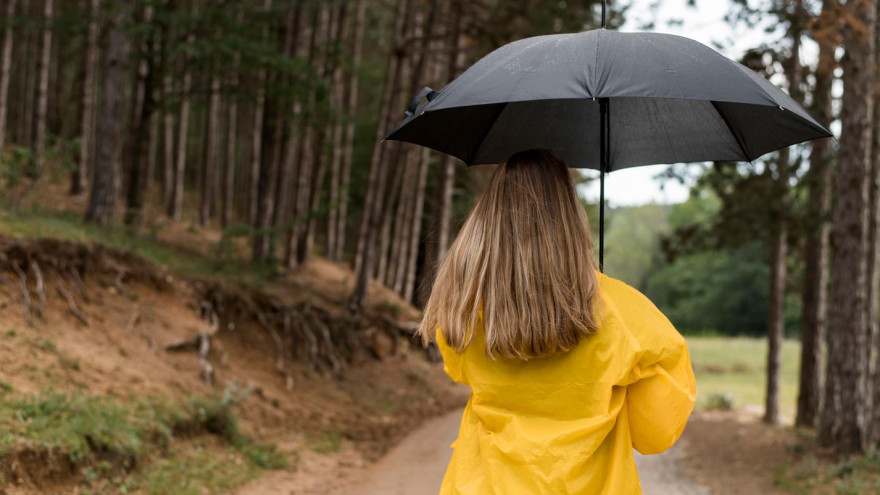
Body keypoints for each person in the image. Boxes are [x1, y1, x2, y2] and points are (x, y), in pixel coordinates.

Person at [417, 149, 696, 495]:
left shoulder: (463, 309)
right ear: (569, 218)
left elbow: (457, 365)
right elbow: (655, 433)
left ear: (488, 218)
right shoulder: (621, 312)